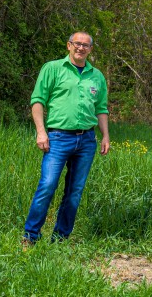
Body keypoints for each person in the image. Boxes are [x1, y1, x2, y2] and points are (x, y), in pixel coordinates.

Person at [22, 32, 110, 246]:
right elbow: (38, 100)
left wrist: (105, 135)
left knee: (74, 191)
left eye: (86, 45)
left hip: (87, 140)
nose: (81, 48)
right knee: (48, 185)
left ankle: (60, 239)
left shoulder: (96, 76)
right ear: (69, 45)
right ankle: (30, 236)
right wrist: (41, 132)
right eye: (77, 44)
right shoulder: (52, 68)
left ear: (90, 49)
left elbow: (101, 108)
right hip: (58, 137)